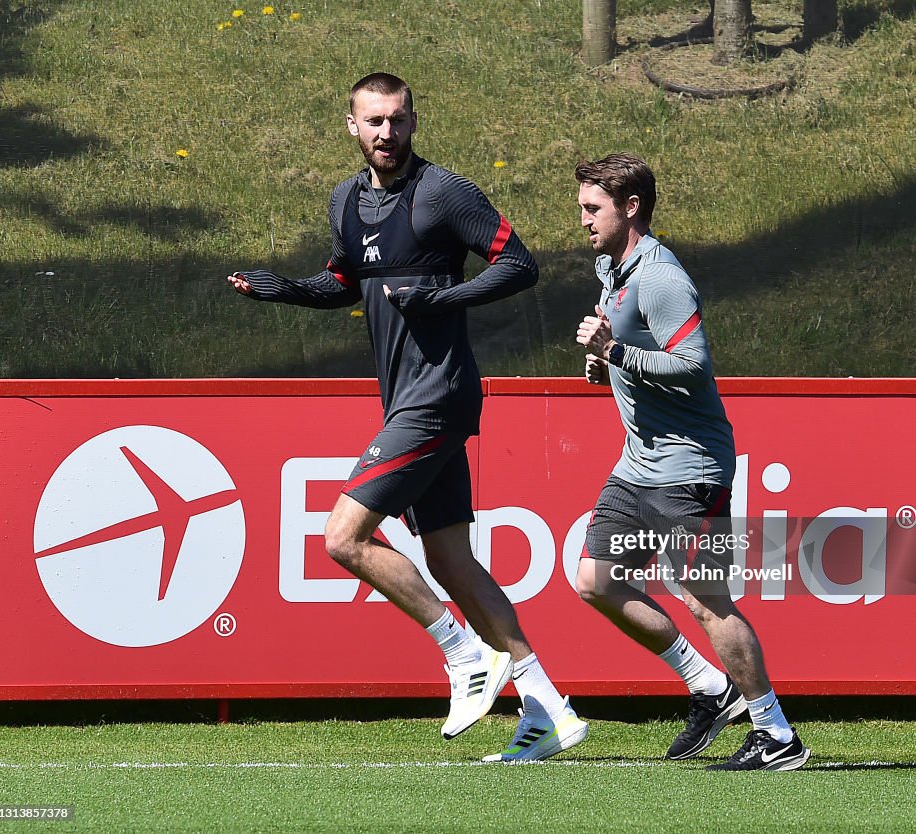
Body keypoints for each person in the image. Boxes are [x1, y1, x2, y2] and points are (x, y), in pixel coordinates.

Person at [226, 72, 587, 763]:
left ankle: (464, 654)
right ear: (351, 127)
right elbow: (342, 281)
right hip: (406, 396)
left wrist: (445, 300)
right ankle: (550, 710)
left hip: (439, 394)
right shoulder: (345, 200)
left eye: (396, 119)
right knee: (453, 560)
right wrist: (288, 291)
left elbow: (520, 264)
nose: (385, 132)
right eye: (373, 121)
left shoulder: (444, 193)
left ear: (414, 120)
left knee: (341, 538)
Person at [573, 153, 809, 771]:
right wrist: (606, 364)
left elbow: (693, 366)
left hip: (691, 468)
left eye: (592, 208)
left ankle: (777, 734)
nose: (583, 220)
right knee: (594, 580)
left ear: (631, 209)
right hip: (637, 464)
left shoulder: (662, 278)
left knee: (705, 598)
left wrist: (616, 351)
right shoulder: (610, 266)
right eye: (581, 207)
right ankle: (709, 686)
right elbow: (634, 357)